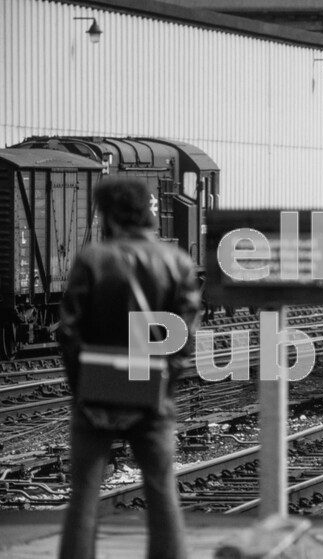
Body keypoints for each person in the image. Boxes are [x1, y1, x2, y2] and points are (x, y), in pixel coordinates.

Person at [58, 177, 200, 559]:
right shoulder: (177, 262)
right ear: (146, 213)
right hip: (151, 392)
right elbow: (183, 340)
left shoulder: (93, 260)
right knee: (161, 489)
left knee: (85, 494)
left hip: (96, 391)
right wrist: (162, 384)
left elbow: (69, 332)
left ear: (108, 214)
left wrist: (85, 385)